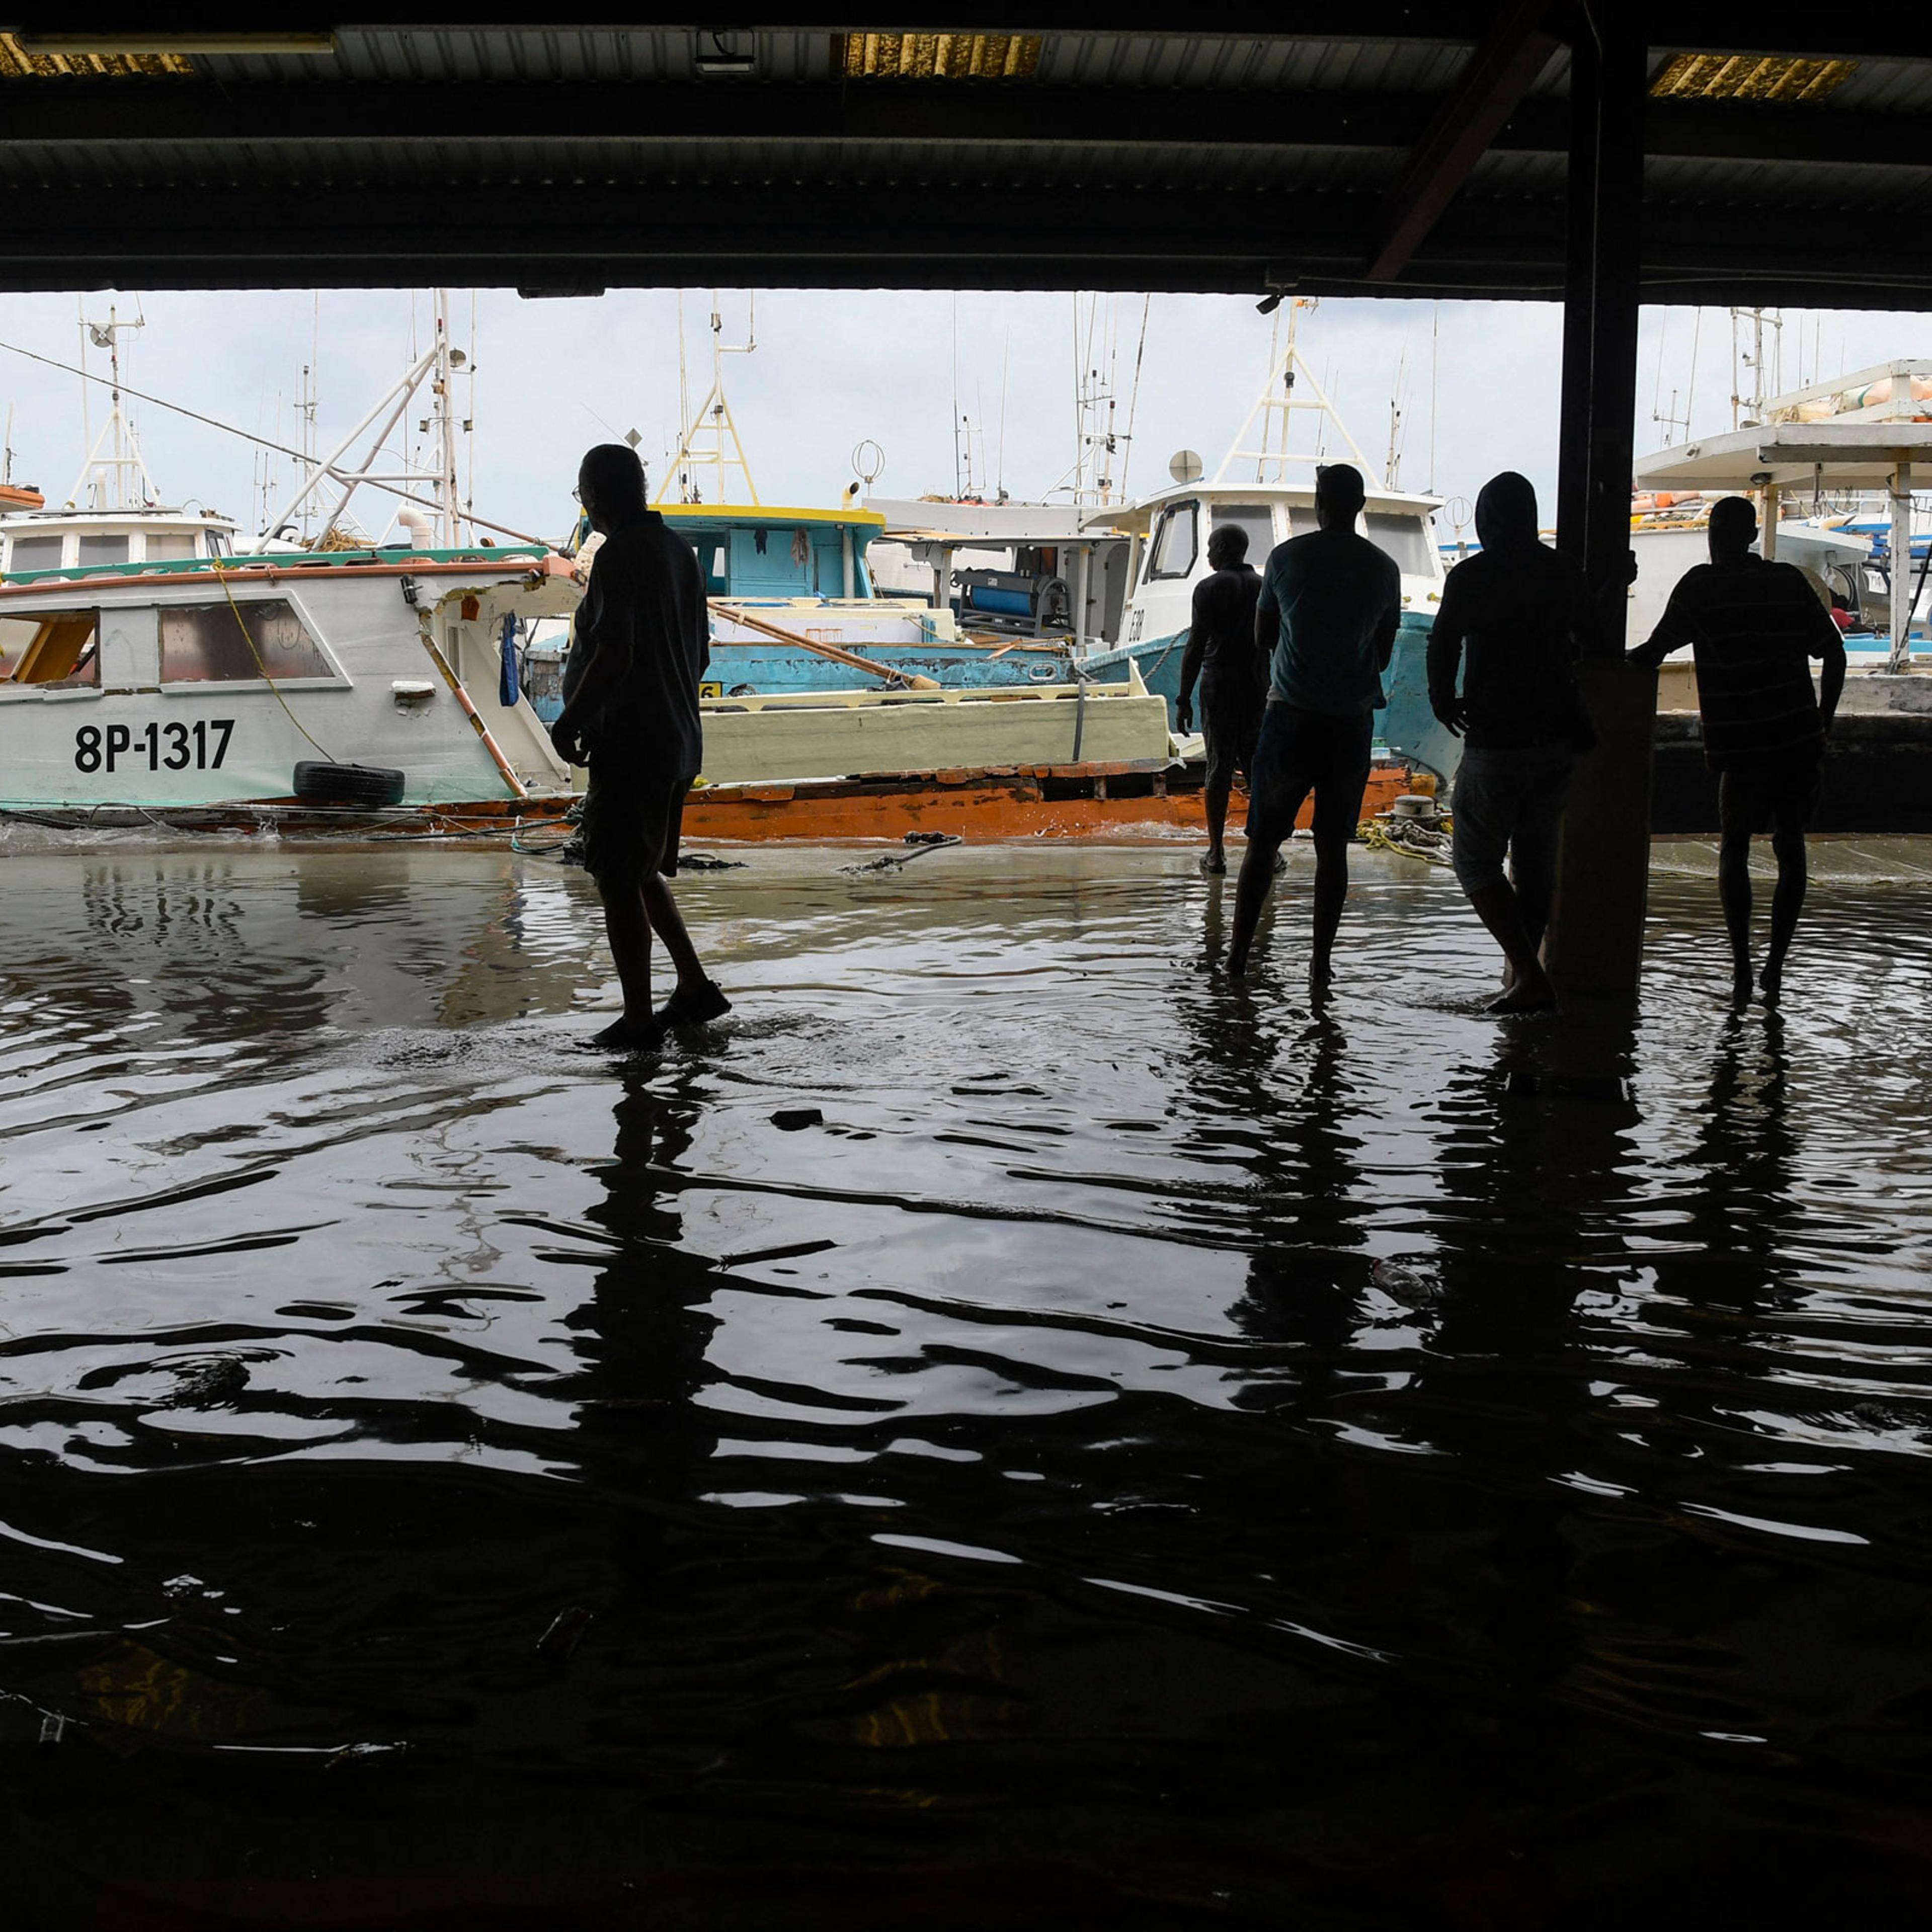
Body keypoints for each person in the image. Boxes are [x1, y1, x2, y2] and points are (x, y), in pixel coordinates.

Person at [1626, 494, 1846, 1004]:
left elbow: (1651, 654)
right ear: (1750, 536)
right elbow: (1833, 652)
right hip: (1795, 741)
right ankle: (1774, 969)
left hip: (1741, 748)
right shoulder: (1787, 583)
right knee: (1790, 848)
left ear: (1716, 536)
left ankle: (1743, 968)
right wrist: (1823, 723)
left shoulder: (1700, 588)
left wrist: (1592, 668)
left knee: (1734, 847)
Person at [550, 443, 731, 1050]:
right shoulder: (679, 553)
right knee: (639, 867)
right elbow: (699, 655)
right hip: (678, 739)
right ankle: (693, 986)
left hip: (635, 742)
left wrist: (567, 720)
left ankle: (638, 1020)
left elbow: (616, 651)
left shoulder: (622, 555)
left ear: (595, 496)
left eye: (582, 493)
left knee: (614, 874)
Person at [1224, 462, 1401, 987]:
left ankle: (1237, 958)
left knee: (1263, 842)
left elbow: (1262, 637)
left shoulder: (1285, 559)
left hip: (1290, 718)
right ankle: (1320, 965)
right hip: (1350, 725)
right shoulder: (1384, 568)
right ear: (1361, 505)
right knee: (1332, 850)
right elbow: (1385, 653)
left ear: (1320, 504)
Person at [1428, 471, 1596, 1014]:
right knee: (1534, 862)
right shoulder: (1563, 572)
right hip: (1556, 738)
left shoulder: (1474, 575)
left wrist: (1442, 699)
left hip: (1496, 735)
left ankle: (1528, 976)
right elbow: (1589, 635)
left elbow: (1445, 641)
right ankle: (1529, 979)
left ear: (1487, 519)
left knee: (1475, 861)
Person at [1175, 522, 1266, 874]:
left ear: (1225, 548)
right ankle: (1265, 849)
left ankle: (1216, 852)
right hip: (1259, 686)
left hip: (1220, 685)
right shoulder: (1264, 586)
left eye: (1212, 547)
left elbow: (1196, 645)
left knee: (1218, 768)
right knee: (1259, 770)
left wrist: (1183, 698)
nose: (1209, 554)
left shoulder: (1209, 588)